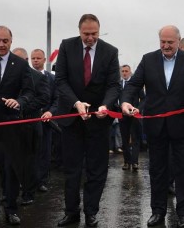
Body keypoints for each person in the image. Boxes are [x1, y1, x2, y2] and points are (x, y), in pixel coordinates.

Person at [121, 25, 184, 228]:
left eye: (170, 42)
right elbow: (133, 85)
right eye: (162, 42)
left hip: (182, 123)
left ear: (178, 41)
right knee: (157, 170)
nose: (166, 46)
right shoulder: (148, 59)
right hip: (155, 124)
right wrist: (125, 102)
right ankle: (157, 211)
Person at [55, 14, 121, 227]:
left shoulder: (110, 52)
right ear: (79, 31)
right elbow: (61, 80)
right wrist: (76, 103)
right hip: (72, 118)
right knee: (72, 169)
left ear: (99, 31)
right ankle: (71, 211)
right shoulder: (66, 46)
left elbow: (113, 85)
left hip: (98, 120)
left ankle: (91, 212)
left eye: (94, 34)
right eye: (86, 34)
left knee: (97, 169)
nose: (90, 38)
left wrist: (106, 105)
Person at [0, 26, 34, 225]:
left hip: (11, 126)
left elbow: (29, 92)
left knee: (11, 170)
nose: (1, 44)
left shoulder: (20, 64)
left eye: (5, 41)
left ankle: (11, 209)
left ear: (11, 41)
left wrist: (19, 101)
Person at [12, 47, 49, 205]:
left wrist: (21, 106)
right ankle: (9, 194)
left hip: (31, 124)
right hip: (11, 125)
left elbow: (44, 98)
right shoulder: (8, 76)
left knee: (30, 160)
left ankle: (29, 193)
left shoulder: (37, 77)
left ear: (25, 61)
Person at [30, 48, 58, 192]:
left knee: (44, 152)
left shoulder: (52, 79)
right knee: (29, 152)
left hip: (46, 122)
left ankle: (41, 181)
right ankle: (28, 181)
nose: (35, 60)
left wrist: (50, 112)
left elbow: (56, 99)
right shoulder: (25, 76)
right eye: (33, 58)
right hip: (29, 122)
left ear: (44, 60)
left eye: (38, 58)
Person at [119, 64, 145, 171]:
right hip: (122, 115)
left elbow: (143, 99)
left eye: (126, 71)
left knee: (135, 139)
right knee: (124, 139)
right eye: (123, 71)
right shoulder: (118, 85)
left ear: (130, 72)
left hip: (135, 115)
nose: (124, 73)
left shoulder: (136, 85)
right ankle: (126, 162)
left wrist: (139, 109)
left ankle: (135, 162)